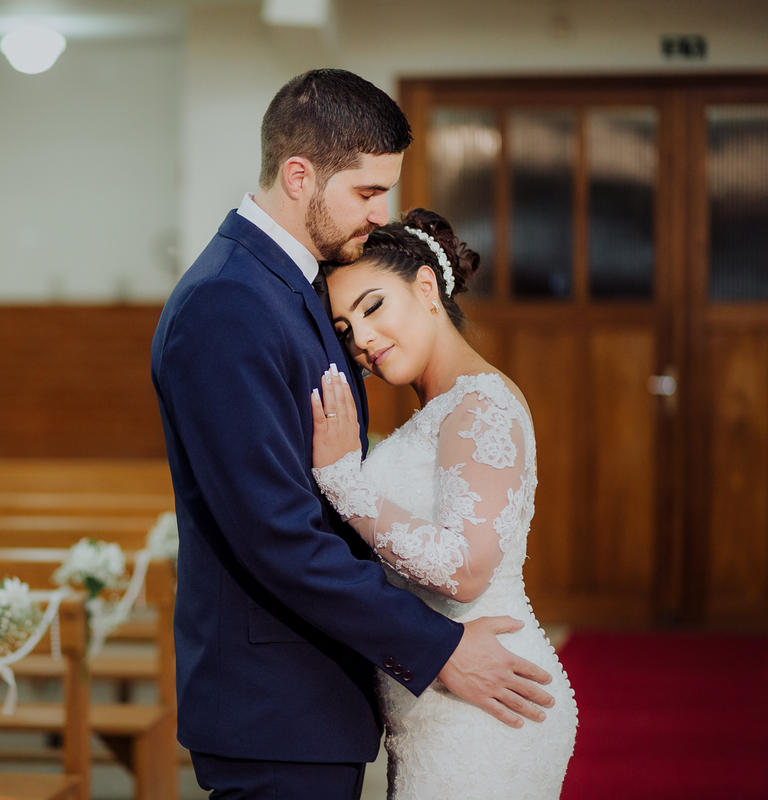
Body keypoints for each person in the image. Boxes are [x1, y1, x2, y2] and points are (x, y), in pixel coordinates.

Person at [150, 69, 554, 800]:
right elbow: (278, 532)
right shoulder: (227, 304)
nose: (380, 214)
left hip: (320, 696)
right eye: (367, 192)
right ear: (299, 175)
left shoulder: (289, 286)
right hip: (273, 701)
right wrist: (437, 648)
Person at [309, 208, 578, 798]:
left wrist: (342, 484)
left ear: (426, 287)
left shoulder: (479, 403)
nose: (363, 340)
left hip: (487, 708)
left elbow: (465, 568)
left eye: (373, 306)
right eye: (345, 328)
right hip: (438, 706)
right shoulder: (437, 410)